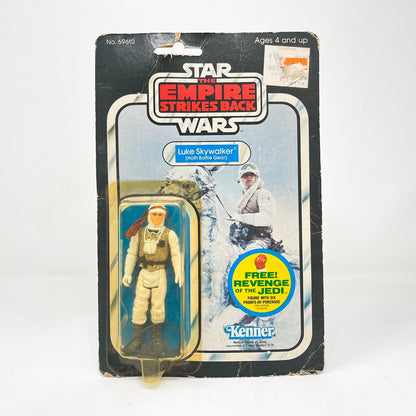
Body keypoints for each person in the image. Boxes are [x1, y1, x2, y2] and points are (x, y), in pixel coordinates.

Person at [121, 204, 183, 356]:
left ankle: (156, 341)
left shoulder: (169, 234)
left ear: (164, 216)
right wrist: (127, 273)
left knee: (158, 306)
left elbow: (176, 254)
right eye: (154, 214)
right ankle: (137, 340)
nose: (157, 218)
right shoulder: (139, 233)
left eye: (160, 215)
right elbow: (131, 253)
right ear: (148, 215)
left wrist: (179, 272)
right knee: (139, 306)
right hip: (143, 273)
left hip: (160, 273)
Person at [230, 163, 282, 252]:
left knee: (249, 255)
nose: (249, 177)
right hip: (244, 241)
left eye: (252, 175)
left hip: (260, 240)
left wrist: (241, 218)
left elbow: (267, 218)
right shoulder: (242, 200)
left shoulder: (262, 193)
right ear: (240, 179)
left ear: (256, 178)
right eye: (245, 175)